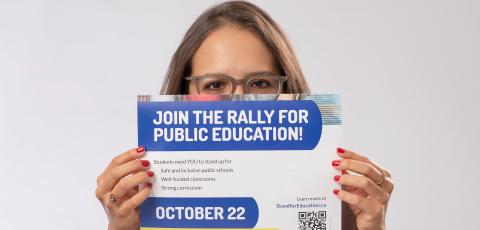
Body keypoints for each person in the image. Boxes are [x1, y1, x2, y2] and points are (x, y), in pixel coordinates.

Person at [95, 1, 394, 230]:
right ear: (183, 94)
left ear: (288, 89)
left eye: (260, 83)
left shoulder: (331, 201)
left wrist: (372, 227)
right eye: (215, 84)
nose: (237, 102)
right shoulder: (147, 196)